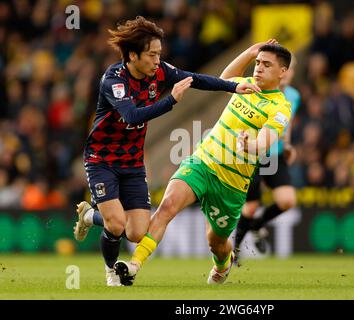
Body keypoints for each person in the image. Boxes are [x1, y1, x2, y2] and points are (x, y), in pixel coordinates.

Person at [71, 16, 260, 286]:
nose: (157, 60)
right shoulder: (114, 80)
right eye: (152, 55)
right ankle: (111, 271)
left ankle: (90, 215)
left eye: (159, 54)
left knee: (136, 232)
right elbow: (132, 116)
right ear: (133, 55)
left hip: (133, 163)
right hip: (102, 160)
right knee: (115, 225)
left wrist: (233, 86)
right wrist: (170, 100)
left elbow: (194, 79)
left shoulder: (158, 72)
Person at [113, 40, 292, 286]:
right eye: (258, 63)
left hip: (232, 183)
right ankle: (134, 265)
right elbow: (224, 78)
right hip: (203, 162)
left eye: (266, 65)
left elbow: (266, 140)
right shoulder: (245, 85)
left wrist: (253, 146)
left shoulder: (281, 106)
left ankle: (223, 264)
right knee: (167, 206)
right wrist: (249, 53)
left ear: (282, 72)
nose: (258, 68)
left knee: (216, 243)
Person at [233, 56, 300, 263]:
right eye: (283, 68)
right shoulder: (257, 90)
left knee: (287, 200)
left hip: (276, 154)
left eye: (290, 69)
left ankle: (257, 226)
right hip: (254, 154)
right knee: (250, 207)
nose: (287, 73)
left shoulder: (293, 96)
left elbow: (286, 125)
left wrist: (287, 146)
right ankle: (233, 251)